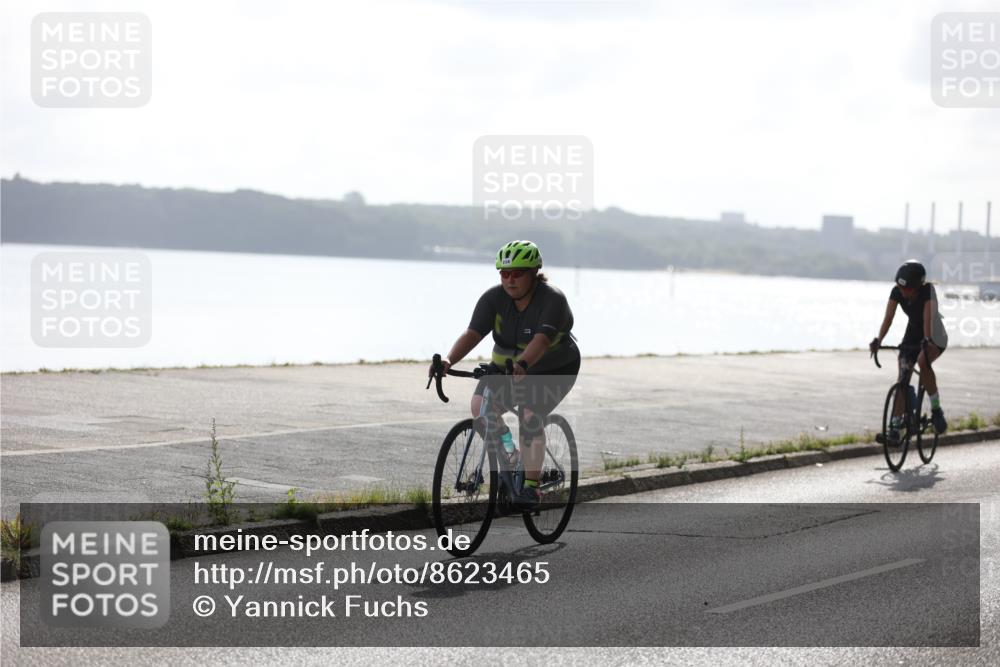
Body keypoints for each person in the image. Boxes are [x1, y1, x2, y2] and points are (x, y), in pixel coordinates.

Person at [432, 240, 580, 509]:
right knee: (481, 406)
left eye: (518, 273)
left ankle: (532, 488)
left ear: (534, 272)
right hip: (511, 367)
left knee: (529, 417)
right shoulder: (494, 298)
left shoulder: (552, 299)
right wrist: (448, 359)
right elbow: (473, 333)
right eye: (504, 273)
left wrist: (523, 365)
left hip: (554, 368)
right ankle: (510, 455)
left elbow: (543, 341)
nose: (510, 280)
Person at [869, 260, 948, 437]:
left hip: (935, 334)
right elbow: (888, 318)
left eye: (908, 289)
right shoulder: (897, 291)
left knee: (922, 361)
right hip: (912, 334)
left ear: (918, 286)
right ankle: (895, 427)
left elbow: (928, 319)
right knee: (903, 376)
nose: (903, 292)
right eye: (901, 287)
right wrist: (879, 340)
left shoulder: (928, 290)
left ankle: (936, 409)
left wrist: (927, 340)